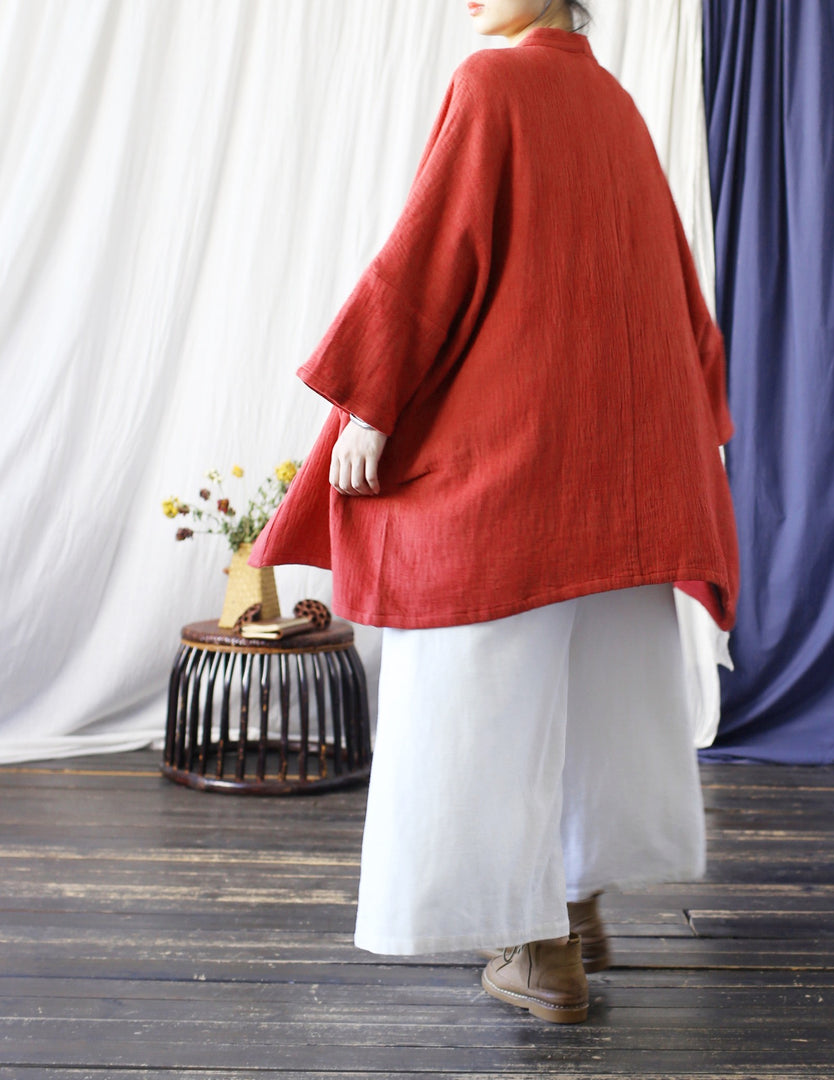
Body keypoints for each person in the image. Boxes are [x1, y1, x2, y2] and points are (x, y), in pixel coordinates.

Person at [249, 0, 738, 1024]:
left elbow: (435, 249)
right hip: (621, 470)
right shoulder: (611, 102)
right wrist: (690, 430)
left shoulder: (493, 84)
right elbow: (671, 282)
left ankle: (536, 947)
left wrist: (371, 404)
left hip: (520, 459)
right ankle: (576, 903)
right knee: (597, 686)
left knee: (477, 692)